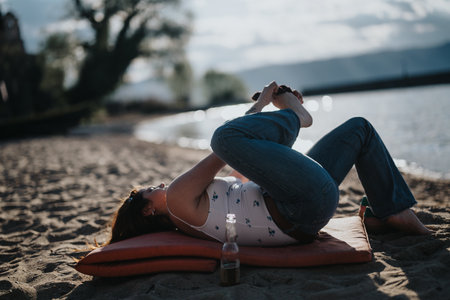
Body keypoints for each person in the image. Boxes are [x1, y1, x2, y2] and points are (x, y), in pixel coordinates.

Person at [108, 81, 431, 245]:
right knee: (222, 138)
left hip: (301, 203)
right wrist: (266, 105)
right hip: (298, 207)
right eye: (149, 190)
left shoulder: (195, 213)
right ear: (148, 210)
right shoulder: (179, 200)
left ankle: (394, 212)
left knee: (358, 129)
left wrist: (266, 111)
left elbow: (242, 164)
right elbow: (226, 149)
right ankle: (298, 115)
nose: (160, 184)